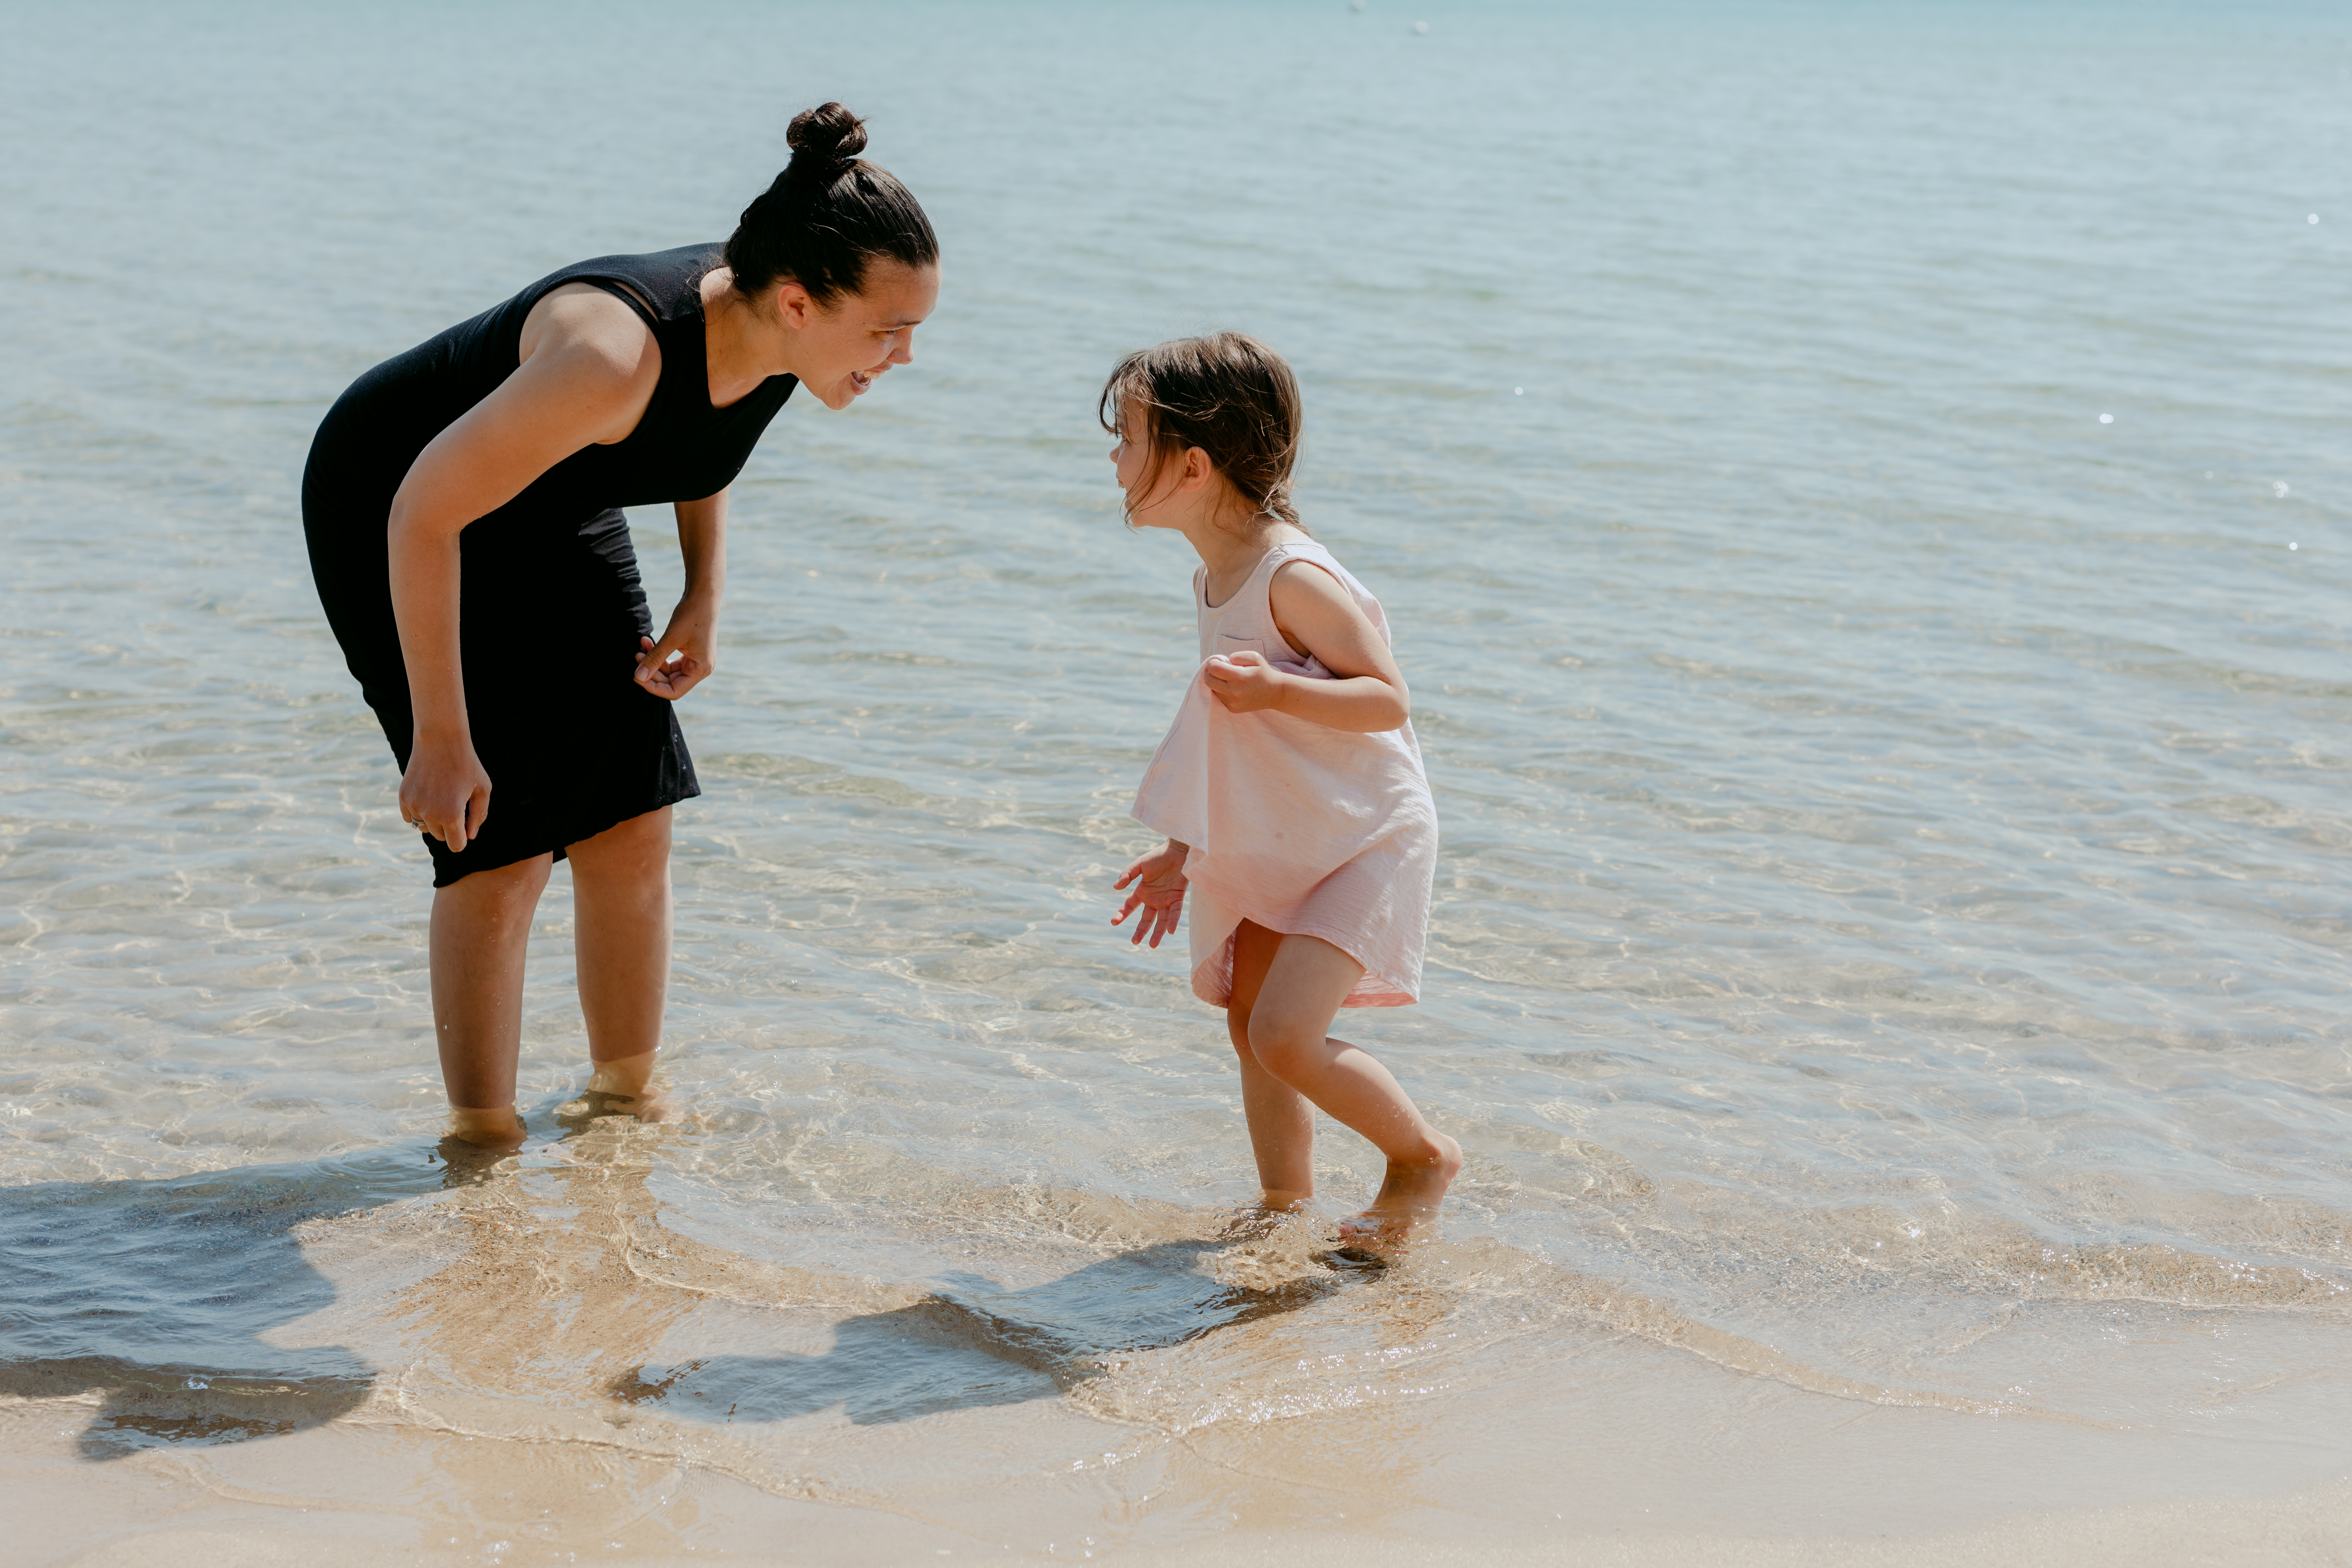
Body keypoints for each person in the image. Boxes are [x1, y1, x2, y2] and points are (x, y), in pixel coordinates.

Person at [301, 104, 938, 1146]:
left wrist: (704, 593)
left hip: (552, 489)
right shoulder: (611, 359)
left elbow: (702, 439)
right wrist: (444, 736)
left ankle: (623, 1103)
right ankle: (482, 1138)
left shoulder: (786, 343)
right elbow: (426, 511)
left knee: (631, 819)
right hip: (400, 501)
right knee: (495, 844)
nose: (904, 356)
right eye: (888, 331)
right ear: (795, 302)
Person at [1104, 334, 1459, 1242]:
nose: (1113, 456)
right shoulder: (1215, 576)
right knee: (1246, 1024)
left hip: (1367, 834)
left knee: (1285, 1036)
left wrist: (1277, 688)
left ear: (1191, 464)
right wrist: (1184, 847)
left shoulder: (1289, 576)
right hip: (1286, 828)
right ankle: (1283, 1208)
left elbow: (1387, 698)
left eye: (1128, 437)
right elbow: (1226, 731)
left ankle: (1422, 1159)